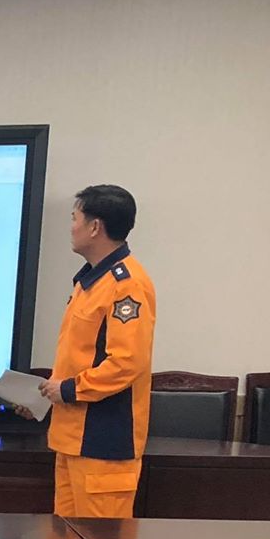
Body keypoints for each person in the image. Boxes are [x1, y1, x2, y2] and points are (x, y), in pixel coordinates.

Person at [39, 185, 157, 519]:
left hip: (103, 444)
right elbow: (79, 356)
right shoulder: (90, 282)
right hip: (71, 439)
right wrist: (43, 396)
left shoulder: (127, 284)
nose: (71, 227)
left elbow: (126, 363)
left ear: (95, 227)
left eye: (74, 218)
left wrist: (67, 390)